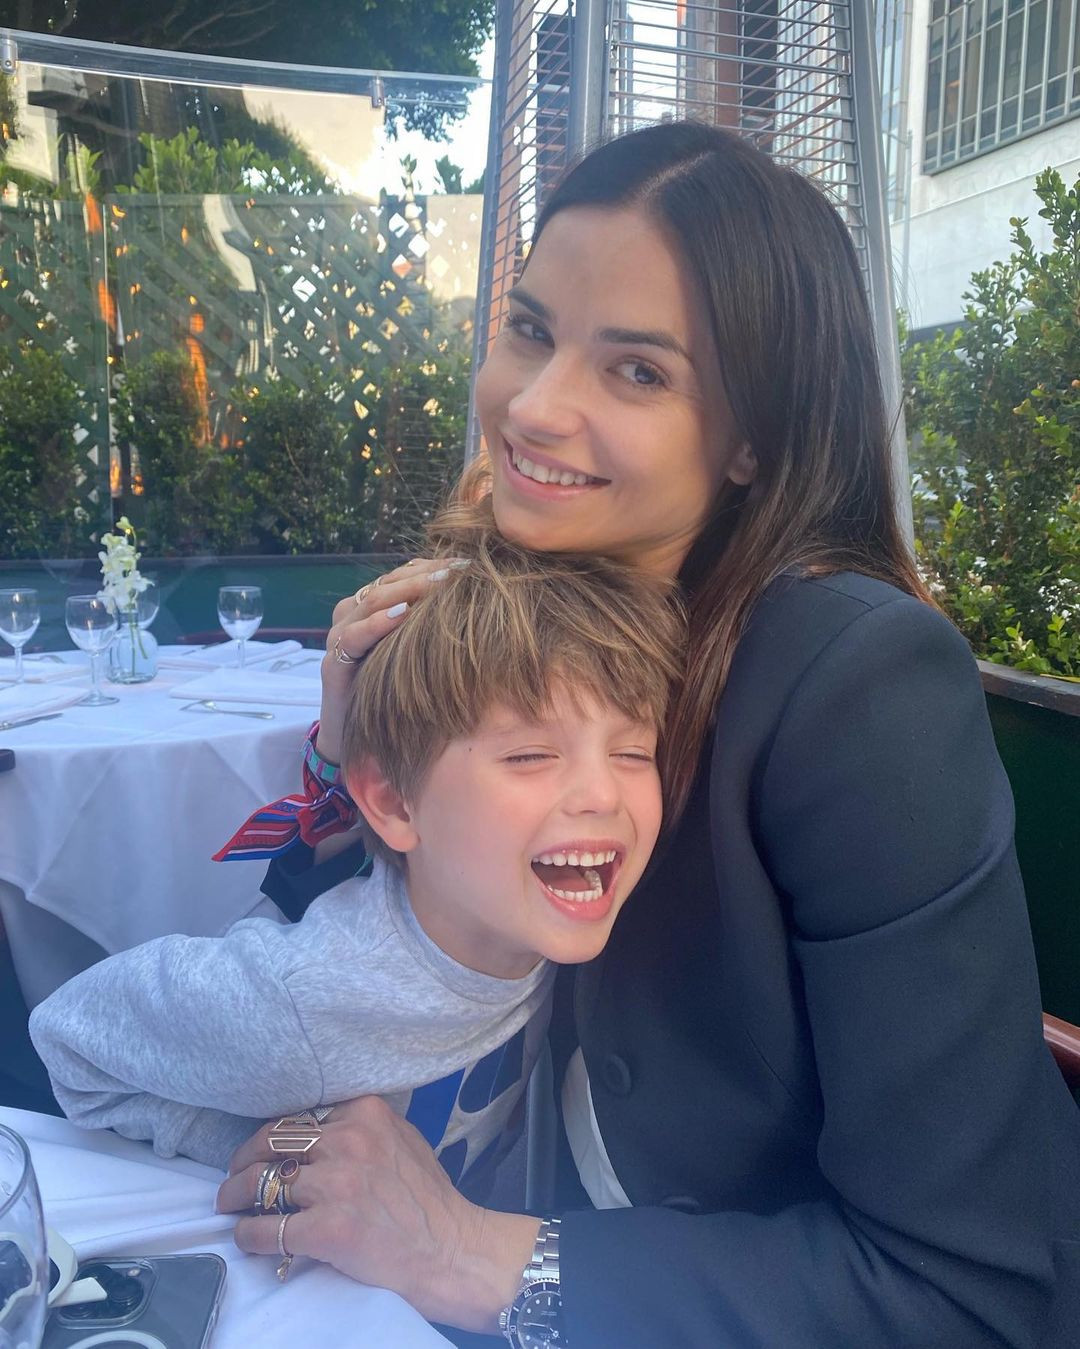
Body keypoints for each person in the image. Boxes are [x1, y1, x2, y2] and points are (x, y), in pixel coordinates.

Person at [216, 121, 1080, 1348]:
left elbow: (966, 1292)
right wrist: (350, 759)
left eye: (636, 371)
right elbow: (348, 958)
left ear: (755, 438)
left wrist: (470, 1253)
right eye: (530, 330)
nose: (533, 406)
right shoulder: (508, 604)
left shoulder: (860, 685)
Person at [28, 534, 683, 1192]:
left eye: (632, 753)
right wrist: (256, 1153)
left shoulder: (534, 916)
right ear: (394, 803)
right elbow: (69, 1036)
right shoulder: (300, 1001)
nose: (603, 795)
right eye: (530, 755)